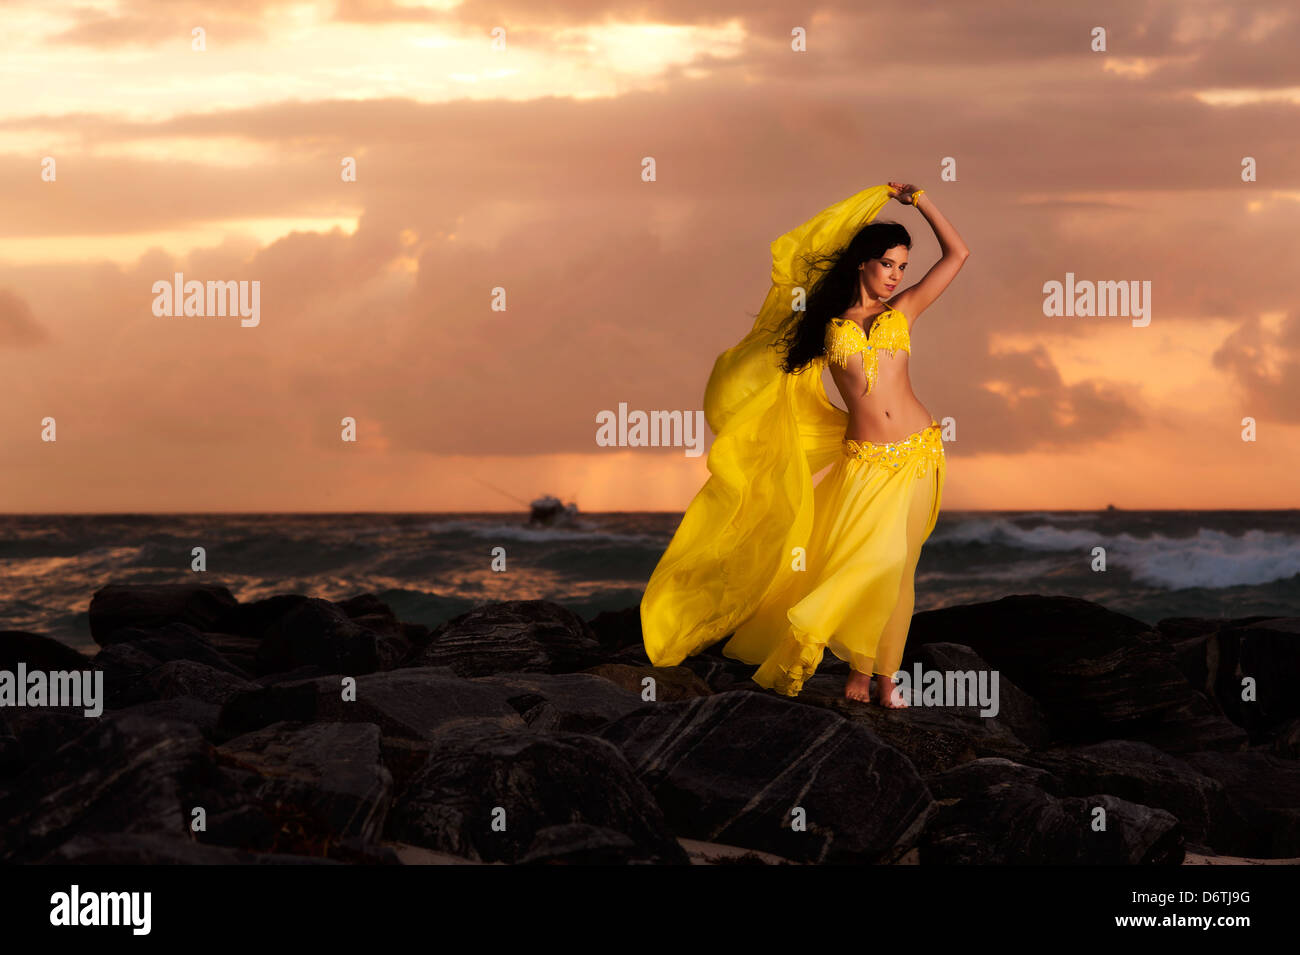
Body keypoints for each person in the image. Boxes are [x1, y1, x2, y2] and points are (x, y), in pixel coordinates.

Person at [641, 181, 969, 707]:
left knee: (897, 568)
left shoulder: (903, 312)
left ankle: (877, 681)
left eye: (903, 267)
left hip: (920, 453)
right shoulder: (823, 324)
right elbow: (772, 373)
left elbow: (959, 253)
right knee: (868, 561)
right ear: (862, 262)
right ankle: (820, 644)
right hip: (866, 461)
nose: (896, 276)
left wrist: (920, 199)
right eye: (887, 263)